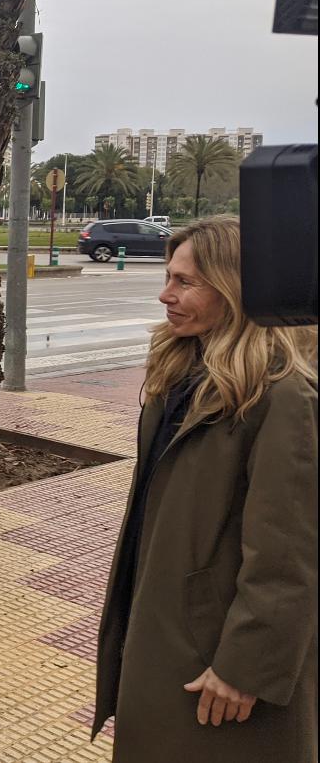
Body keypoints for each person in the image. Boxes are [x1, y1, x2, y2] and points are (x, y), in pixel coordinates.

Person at [93, 215, 317, 762]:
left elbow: (288, 553)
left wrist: (247, 666)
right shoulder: (181, 368)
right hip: (166, 625)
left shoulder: (283, 395)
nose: (164, 295)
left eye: (184, 282)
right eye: (168, 276)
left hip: (217, 654)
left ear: (236, 289)